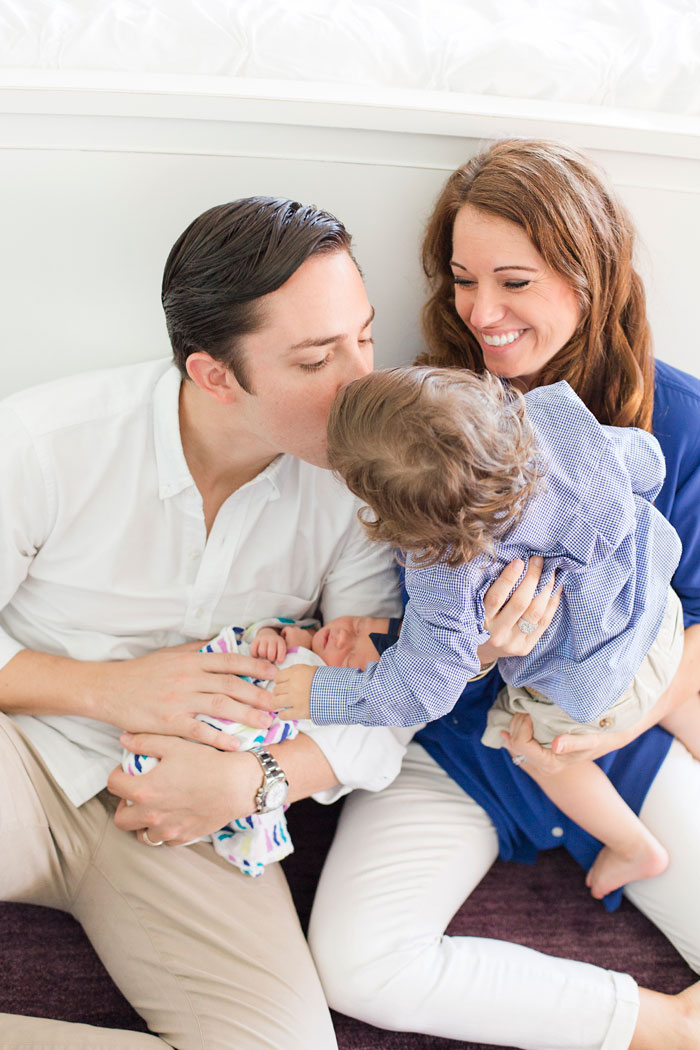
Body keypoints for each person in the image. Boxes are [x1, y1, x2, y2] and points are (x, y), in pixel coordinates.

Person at [0, 193, 553, 1050]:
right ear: (215, 374)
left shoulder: (369, 481)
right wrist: (110, 691)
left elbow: (385, 691)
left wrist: (259, 784)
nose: (361, 380)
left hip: (201, 805)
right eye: (314, 360)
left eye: (364, 336)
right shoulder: (44, 443)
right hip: (26, 754)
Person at [308, 140, 700, 1050]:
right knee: (357, 960)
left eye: (514, 282)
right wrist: (398, 642)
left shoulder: (674, 420)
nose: (482, 313)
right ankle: (665, 1028)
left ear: (589, 273)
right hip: (453, 745)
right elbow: (407, 626)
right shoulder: (417, 418)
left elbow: (692, 616)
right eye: (462, 280)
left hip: (614, 734)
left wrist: (621, 723)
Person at [276, 363, 691, 900]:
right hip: (659, 613)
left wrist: (318, 692)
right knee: (654, 674)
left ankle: (634, 846)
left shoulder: (444, 573)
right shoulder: (553, 430)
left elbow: (417, 690)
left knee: (522, 740)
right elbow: (648, 462)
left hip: (596, 684)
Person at [122, 613, 401, 878]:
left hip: (243, 744)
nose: (341, 637)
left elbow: (340, 731)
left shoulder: (333, 703)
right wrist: (270, 636)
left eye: (350, 656)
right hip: (200, 702)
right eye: (356, 624)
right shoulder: (302, 633)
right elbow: (257, 632)